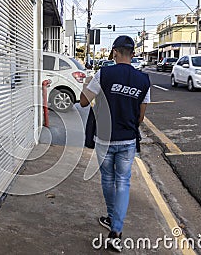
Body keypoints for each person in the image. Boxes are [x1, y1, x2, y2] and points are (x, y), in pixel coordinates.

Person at [80, 35, 151, 252]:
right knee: (123, 182)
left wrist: (86, 83)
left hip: (104, 138)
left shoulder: (104, 74)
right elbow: (141, 116)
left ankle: (113, 220)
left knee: (108, 179)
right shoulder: (144, 80)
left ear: (114, 52)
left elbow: (83, 101)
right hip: (128, 140)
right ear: (132, 54)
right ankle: (116, 230)